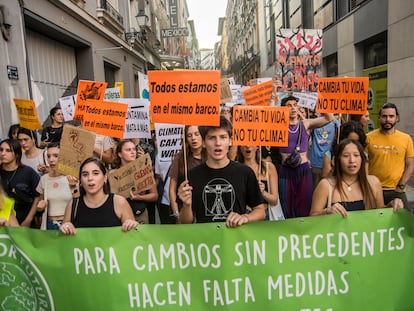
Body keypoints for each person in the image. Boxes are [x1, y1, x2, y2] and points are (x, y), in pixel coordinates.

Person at [178, 116, 266, 226]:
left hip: (236, 240)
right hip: (205, 241)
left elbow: (260, 211)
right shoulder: (191, 176)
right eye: (211, 138)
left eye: (223, 137)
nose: (218, 143)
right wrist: (186, 205)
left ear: (230, 141)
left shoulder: (245, 173)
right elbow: (185, 222)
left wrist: (245, 217)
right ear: (204, 143)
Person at [310, 139, 403, 217]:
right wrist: (326, 212)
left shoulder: (373, 182)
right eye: (346, 156)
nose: (352, 160)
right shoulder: (326, 185)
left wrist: (391, 206)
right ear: (336, 160)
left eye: (356, 155)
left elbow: (380, 213)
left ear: (362, 159)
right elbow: (311, 217)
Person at [278, 95, 334, 218]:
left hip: (303, 169)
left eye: (295, 105)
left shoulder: (305, 124)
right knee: (286, 205)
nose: (293, 108)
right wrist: (272, 99)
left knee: (304, 205)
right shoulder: (278, 125)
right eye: (289, 106)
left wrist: (322, 100)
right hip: (286, 171)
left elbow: (329, 118)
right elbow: (267, 118)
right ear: (282, 109)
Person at [60, 157, 138, 234]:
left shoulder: (119, 202)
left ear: (105, 177)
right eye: (85, 174)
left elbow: (133, 237)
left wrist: (131, 224)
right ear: (80, 180)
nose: (90, 178)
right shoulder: (73, 205)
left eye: (95, 173)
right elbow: (64, 240)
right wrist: (66, 227)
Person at [366, 103, 414, 208]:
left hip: (397, 191)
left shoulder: (406, 139)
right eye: (384, 116)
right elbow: (364, 164)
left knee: (403, 222)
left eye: (391, 116)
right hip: (373, 189)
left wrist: (401, 186)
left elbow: (410, 165)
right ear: (379, 118)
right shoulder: (368, 138)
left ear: (397, 118)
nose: (388, 119)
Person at [111, 139, 157, 224]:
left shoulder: (144, 171)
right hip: (119, 215)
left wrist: (139, 197)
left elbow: (154, 195)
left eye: (134, 149)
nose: (132, 152)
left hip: (140, 215)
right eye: (128, 150)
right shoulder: (113, 174)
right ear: (120, 154)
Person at [34, 143, 78, 230]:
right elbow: (40, 205)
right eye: (49, 156)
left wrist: (74, 186)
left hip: (68, 224)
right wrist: (39, 208)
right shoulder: (44, 179)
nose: (51, 159)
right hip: (49, 225)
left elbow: (78, 204)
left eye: (56, 156)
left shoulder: (71, 177)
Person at [0, 139, 40, 227]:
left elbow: (38, 195)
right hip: (3, 222)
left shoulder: (28, 172)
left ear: (17, 154)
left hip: (25, 220)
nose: (3, 153)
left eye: (8, 150)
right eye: (1, 150)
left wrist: (29, 219)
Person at [169, 125, 204, 222]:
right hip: (184, 209)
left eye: (197, 134)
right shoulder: (179, 158)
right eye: (189, 135)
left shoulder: (211, 157)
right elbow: (172, 189)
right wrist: (176, 213)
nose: (193, 138)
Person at [237, 145, 279, 218]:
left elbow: (275, 201)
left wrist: (263, 192)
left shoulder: (269, 167)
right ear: (240, 147)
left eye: (250, 143)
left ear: (257, 147)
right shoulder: (236, 169)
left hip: (266, 214)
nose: (247, 146)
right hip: (244, 215)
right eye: (244, 143)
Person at [308, 117, 340, 189]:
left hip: (329, 163)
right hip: (315, 162)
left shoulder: (336, 123)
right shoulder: (315, 122)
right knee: (315, 189)